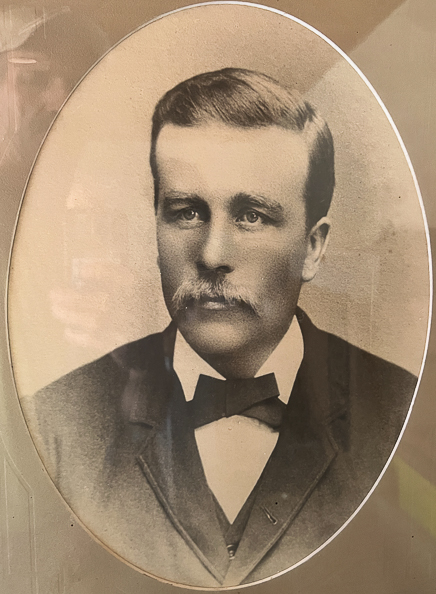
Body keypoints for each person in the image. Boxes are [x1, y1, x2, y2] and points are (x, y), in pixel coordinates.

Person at [28, 68, 417, 587]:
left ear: (313, 247)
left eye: (252, 216)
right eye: (186, 213)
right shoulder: (61, 420)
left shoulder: (400, 412)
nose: (212, 255)